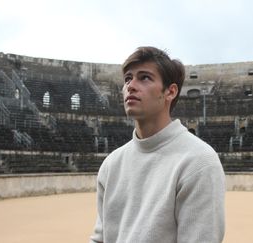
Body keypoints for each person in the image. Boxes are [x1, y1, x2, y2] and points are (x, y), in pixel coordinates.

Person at [90, 46, 225, 243]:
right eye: (128, 78)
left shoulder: (199, 162)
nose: (131, 86)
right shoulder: (111, 164)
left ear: (170, 92)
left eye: (144, 77)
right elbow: (99, 238)